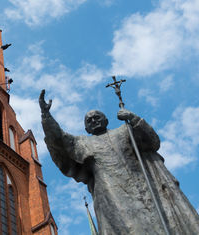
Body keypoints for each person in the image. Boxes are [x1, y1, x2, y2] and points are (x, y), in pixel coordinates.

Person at [39, 89, 199, 234]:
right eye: (89, 121)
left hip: (145, 187)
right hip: (111, 197)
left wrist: (133, 119)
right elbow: (58, 139)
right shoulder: (82, 143)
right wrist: (46, 116)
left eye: (97, 117)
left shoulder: (125, 131)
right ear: (86, 129)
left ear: (106, 120)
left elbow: (152, 142)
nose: (93, 121)